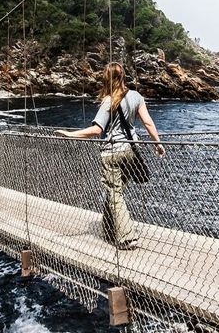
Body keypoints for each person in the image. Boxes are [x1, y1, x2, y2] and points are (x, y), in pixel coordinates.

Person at [56, 62, 165, 250]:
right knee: (116, 192)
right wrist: (158, 144)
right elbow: (148, 123)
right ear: (124, 76)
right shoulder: (136, 96)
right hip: (131, 150)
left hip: (112, 153)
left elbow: (97, 130)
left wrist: (70, 134)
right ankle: (108, 228)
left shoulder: (108, 101)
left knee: (114, 192)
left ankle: (127, 237)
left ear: (106, 79)